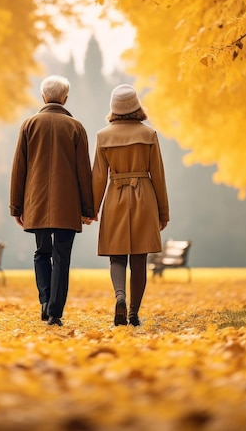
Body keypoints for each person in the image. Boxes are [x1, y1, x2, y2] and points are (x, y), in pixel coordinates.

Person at [10, 75, 94, 327]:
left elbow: (19, 169)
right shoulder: (76, 127)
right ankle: (55, 311)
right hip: (67, 205)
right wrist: (87, 208)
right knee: (62, 256)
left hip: (35, 201)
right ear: (65, 98)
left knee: (41, 252)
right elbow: (84, 172)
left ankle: (45, 301)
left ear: (43, 97)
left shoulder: (28, 125)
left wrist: (16, 206)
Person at [90, 84, 169, 326]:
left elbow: (99, 177)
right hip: (144, 197)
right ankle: (133, 313)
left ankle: (120, 298)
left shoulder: (103, 137)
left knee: (116, 257)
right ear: (137, 107)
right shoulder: (149, 135)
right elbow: (158, 175)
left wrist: (91, 210)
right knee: (139, 259)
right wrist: (163, 212)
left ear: (114, 108)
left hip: (115, 197)